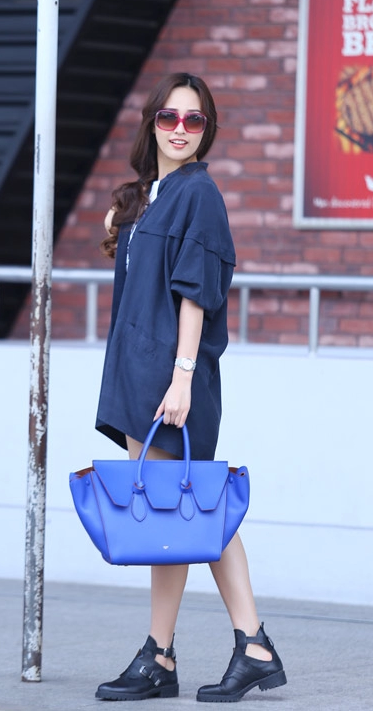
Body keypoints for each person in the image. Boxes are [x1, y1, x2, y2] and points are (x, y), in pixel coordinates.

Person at [94, 72, 287, 703]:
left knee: (187, 508)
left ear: (207, 130)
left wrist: (181, 377)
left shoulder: (198, 194)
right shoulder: (153, 196)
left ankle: (186, 651)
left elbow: (195, 294)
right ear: (152, 123)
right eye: (169, 117)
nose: (180, 129)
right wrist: (124, 219)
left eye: (194, 120)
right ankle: (219, 649)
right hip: (138, 373)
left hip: (168, 378)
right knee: (180, 511)